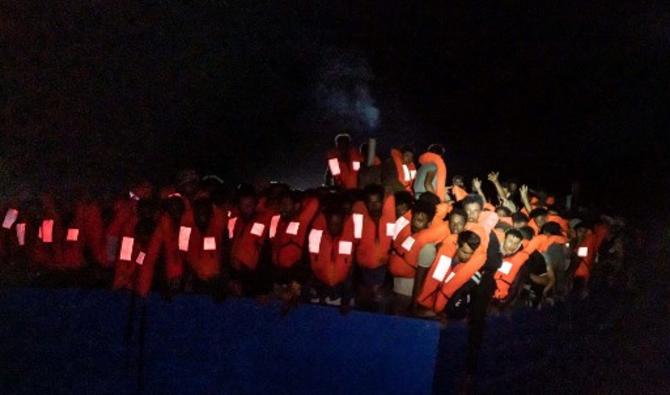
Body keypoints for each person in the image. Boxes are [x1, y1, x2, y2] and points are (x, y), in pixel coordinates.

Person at [352, 185, 396, 312]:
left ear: (382, 203)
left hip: (383, 271)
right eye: (370, 203)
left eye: (377, 202)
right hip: (362, 271)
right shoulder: (358, 219)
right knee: (363, 305)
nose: (374, 206)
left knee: (380, 306)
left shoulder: (390, 217)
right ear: (365, 204)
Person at [306, 203, 356, 314]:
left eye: (338, 224)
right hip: (320, 288)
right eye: (332, 224)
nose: (334, 227)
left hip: (341, 289)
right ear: (326, 223)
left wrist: (346, 299)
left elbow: (351, 269)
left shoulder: (349, 238)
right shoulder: (317, 237)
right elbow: (310, 263)